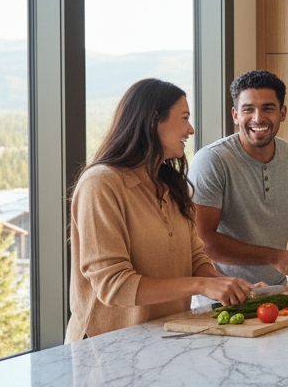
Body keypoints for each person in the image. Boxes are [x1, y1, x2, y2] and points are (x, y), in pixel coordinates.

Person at [66, 79, 253, 343]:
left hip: (168, 336)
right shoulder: (101, 184)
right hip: (108, 348)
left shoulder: (172, 185)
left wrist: (229, 286)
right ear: (154, 120)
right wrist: (201, 285)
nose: (191, 129)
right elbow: (114, 286)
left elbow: (195, 259)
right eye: (184, 117)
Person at [188, 69, 288, 285]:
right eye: (248, 109)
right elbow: (202, 240)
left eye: (268, 108)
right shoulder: (212, 160)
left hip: (276, 293)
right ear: (235, 115)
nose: (258, 118)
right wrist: (274, 256)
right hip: (220, 299)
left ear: (283, 113)